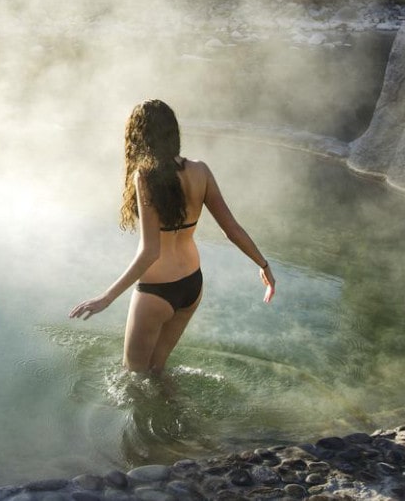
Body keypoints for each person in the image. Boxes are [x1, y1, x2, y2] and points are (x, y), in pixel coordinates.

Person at [69, 99, 275, 374]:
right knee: (157, 370)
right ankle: (186, 416)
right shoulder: (200, 170)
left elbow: (150, 251)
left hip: (157, 290)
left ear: (139, 136)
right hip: (192, 285)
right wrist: (263, 265)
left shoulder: (145, 177)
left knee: (134, 376)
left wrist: (107, 297)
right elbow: (232, 229)